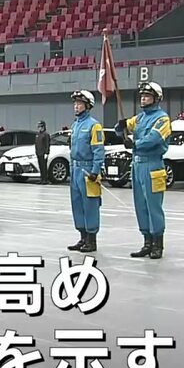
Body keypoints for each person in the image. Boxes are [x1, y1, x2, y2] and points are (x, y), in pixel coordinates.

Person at [117, 82, 173, 260]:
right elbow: (124, 128)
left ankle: (157, 244)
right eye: (142, 96)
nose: (143, 99)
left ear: (156, 98)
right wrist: (121, 126)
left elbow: (154, 138)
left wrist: (135, 143)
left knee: (153, 206)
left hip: (153, 165)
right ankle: (147, 241)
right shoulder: (140, 118)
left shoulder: (162, 119)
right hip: (137, 165)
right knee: (140, 205)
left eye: (147, 96)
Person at [66, 91, 105, 253]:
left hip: (87, 170)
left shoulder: (94, 126)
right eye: (75, 103)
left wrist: (95, 171)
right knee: (77, 205)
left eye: (80, 103)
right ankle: (83, 237)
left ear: (88, 105)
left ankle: (91, 240)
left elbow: (98, 150)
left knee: (90, 205)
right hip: (75, 170)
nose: (76, 106)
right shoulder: (75, 125)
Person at [35, 120, 51, 185]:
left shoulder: (46, 134)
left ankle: (45, 179)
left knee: (44, 167)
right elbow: (36, 143)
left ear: (44, 127)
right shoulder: (38, 134)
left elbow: (47, 144)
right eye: (39, 127)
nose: (40, 128)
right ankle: (42, 179)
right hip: (38, 153)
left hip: (43, 153)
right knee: (40, 166)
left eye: (41, 127)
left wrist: (47, 153)